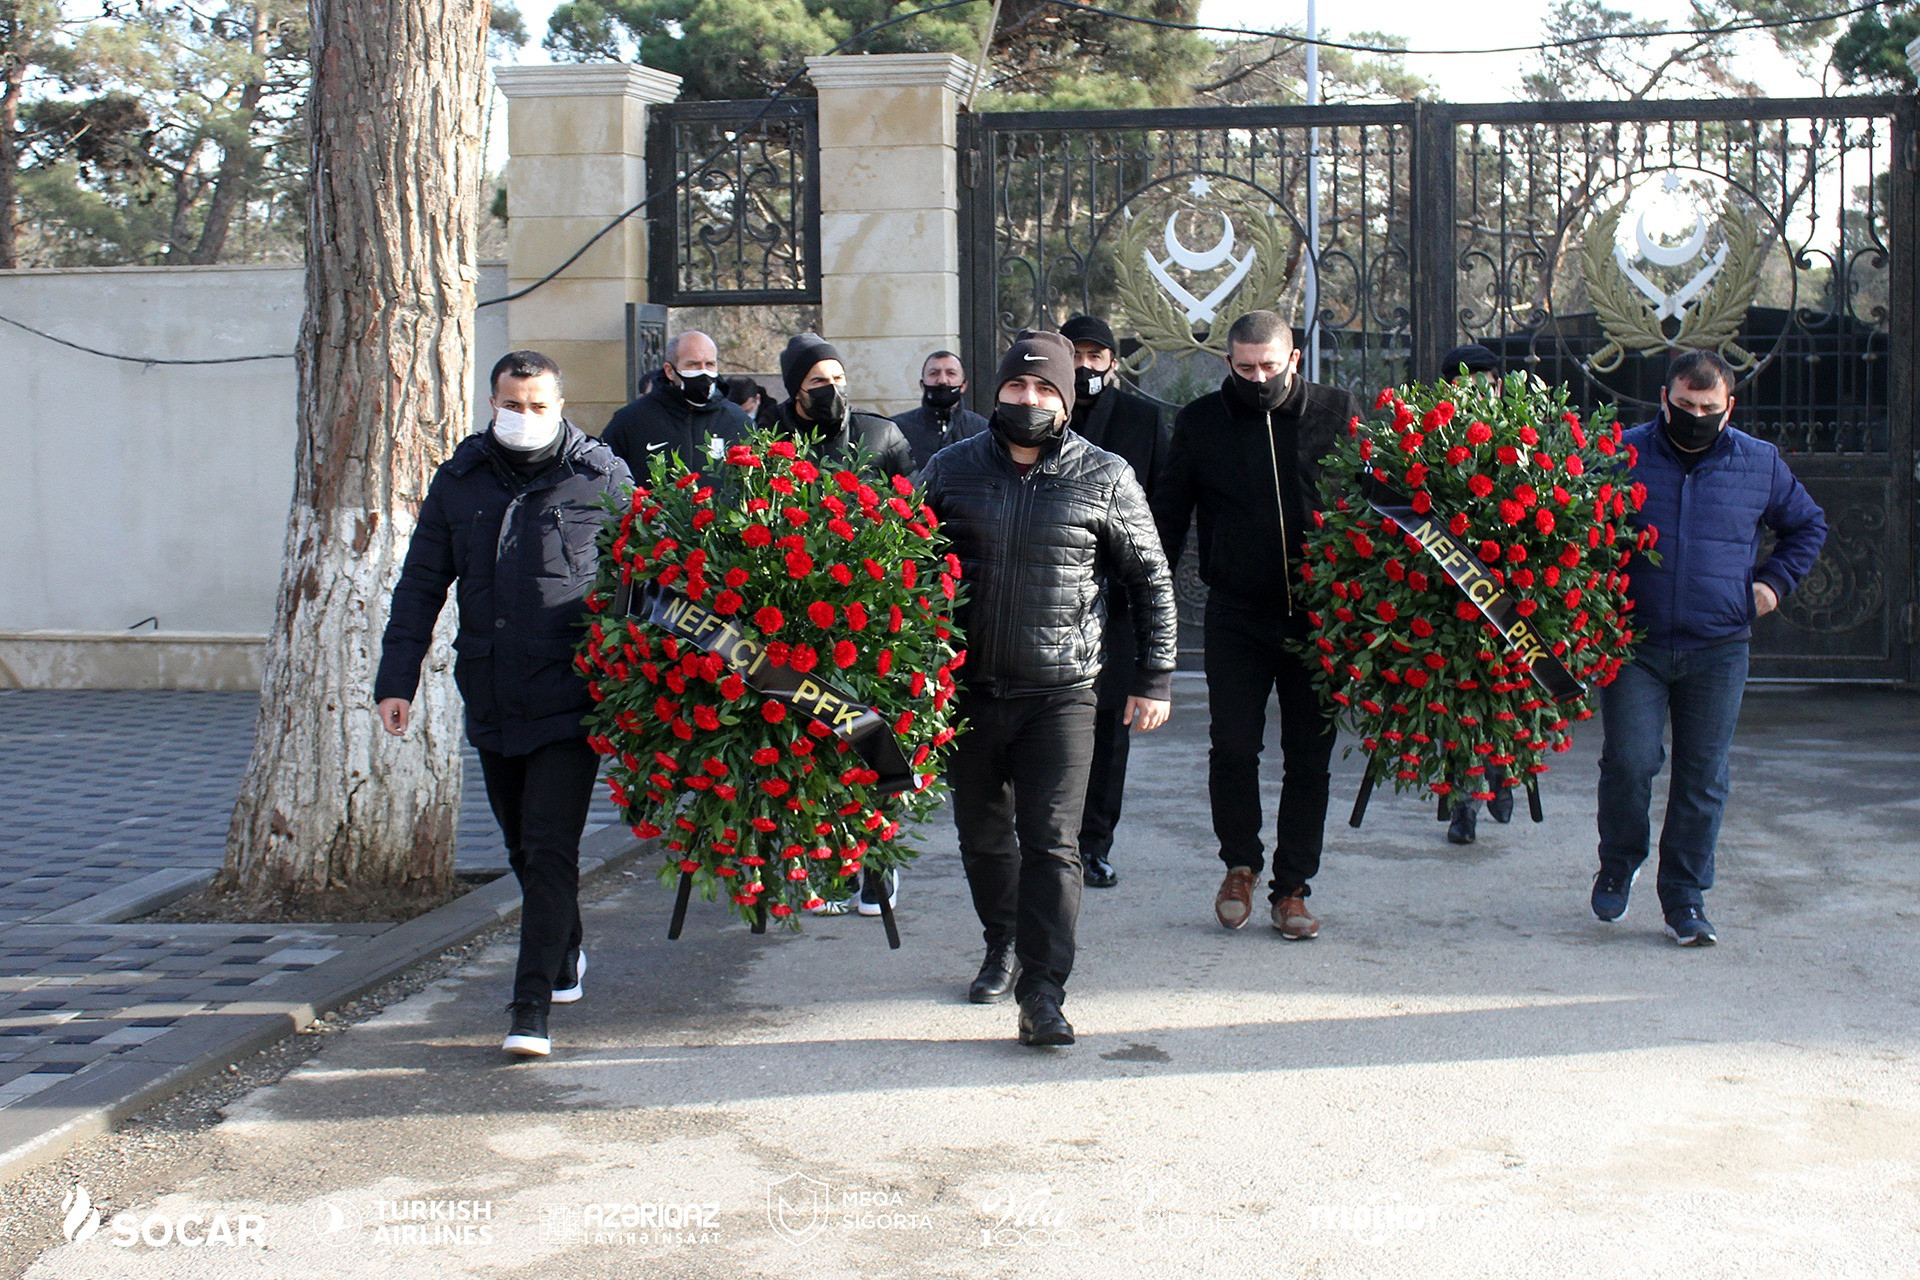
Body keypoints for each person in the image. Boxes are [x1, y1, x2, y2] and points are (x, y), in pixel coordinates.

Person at [921, 330, 1178, 1048]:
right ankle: (1001, 940)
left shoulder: (1106, 475)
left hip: (1062, 692)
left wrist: (1155, 674)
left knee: (1052, 842)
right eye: (1016, 387)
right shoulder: (948, 469)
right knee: (982, 837)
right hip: (967, 691)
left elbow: (1150, 579)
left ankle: (1042, 990)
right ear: (995, 391)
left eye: (1044, 390)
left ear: (1065, 400)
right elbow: (904, 564)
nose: (1028, 400)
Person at [374, 350, 633, 1057]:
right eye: (511, 404)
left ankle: (530, 1010)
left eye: (537, 404)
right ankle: (567, 946)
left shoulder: (601, 477)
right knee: (522, 846)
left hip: (569, 694)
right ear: (492, 403)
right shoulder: (460, 481)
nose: (524, 416)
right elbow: (421, 585)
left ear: (560, 404)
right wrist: (396, 680)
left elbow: (645, 579)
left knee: (551, 847)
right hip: (490, 692)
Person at [1593, 348, 1826, 946]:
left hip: (1719, 645)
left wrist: (1771, 587)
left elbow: (1807, 525)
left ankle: (1686, 897)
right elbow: (1580, 527)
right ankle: (1619, 861)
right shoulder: (1621, 455)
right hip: (1635, 643)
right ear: (1665, 399)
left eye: (1707, 407)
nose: (1694, 414)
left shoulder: (1760, 463)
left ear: (1728, 409)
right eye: (1684, 404)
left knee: (1702, 775)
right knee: (1630, 761)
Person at [1153, 310, 1362, 941]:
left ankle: (1293, 887)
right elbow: (1166, 518)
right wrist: (1144, 599)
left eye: (1270, 366)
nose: (1259, 378)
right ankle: (1239, 865)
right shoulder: (1198, 423)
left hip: (1319, 617)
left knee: (1309, 759)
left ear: (1293, 358)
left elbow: (1376, 501)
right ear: (1228, 363)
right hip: (1237, 613)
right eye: (1245, 368)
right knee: (1235, 747)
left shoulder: (1337, 412)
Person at [1059, 314, 1171, 889]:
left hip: (1120, 600)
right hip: (1053, 597)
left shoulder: (1142, 419)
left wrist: (1147, 584)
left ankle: (1095, 843)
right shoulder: (1042, 412)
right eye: (1074, 354)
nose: (1085, 366)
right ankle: (1051, 843)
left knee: (1109, 731)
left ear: (1112, 361)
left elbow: (1163, 511)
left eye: (1095, 355)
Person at [1432, 343, 1516, 846]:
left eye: (1483, 384)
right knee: (1456, 699)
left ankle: (1501, 771)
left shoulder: (1520, 437)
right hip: (1448, 591)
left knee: (1500, 692)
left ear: (1498, 386)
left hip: (1506, 592)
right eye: (1462, 386)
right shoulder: (1428, 438)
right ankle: (1464, 804)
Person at [600, 330, 749, 477]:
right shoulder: (631, 420)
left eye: (710, 364)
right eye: (693, 364)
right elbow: (605, 479)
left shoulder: (736, 420)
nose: (703, 372)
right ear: (670, 371)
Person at [776, 332, 915, 479]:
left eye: (838, 378)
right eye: (818, 381)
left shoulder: (882, 434)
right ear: (796, 391)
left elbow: (910, 494)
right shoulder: (771, 437)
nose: (832, 388)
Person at [891, 349, 989, 472]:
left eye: (951, 373)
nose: (942, 380)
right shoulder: (896, 429)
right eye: (934, 373)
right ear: (922, 385)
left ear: (963, 386)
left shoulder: (984, 431)